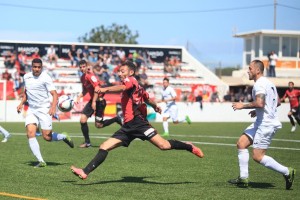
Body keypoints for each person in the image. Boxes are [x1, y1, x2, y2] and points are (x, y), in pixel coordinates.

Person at [70, 60, 204, 180]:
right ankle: (85, 171)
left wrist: (104, 89)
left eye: (122, 71)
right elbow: (147, 98)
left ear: (131, 72)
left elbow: (123, 87)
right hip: (127, 126)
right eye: (119, 72)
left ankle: (188, 146)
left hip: (139, 123)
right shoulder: (137, 86)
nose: (120, 74)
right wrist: (155, 106)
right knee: (104, 146)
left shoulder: (131, 80)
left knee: (164, 146)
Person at [229, 60, 295, 190]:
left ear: (257, 70)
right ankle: (243, 178)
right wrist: (257, 110)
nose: (248, 71)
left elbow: (260, 103)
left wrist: (243, 106)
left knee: (258, 156)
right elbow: (277, 103)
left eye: (250, 68)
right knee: (241, 143)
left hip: (266, 124)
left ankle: (287, 172)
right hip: (261, 121)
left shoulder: (259, 84)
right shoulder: (269, 83)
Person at [16, 58, 74, 168]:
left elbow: (55, 94)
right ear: (31, 67)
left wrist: (53, 107)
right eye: (35, 67)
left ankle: (63, 136)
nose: (37, 69)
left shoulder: (46, 77)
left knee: (47, 137)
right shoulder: (27, 77)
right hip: (32, 109)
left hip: (44, 109)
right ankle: (41, 161)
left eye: (39, 67)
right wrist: (21, 103)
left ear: (41, 67)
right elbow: (26, 93)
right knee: (30, 133)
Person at [75, 60, 122, 148]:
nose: (82, 69)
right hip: (92, 100)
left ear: (87, 66)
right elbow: (85, 90)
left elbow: (97, 88)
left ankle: (116, 119)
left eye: (83, 66)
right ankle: (87, 143)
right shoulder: (82, 77)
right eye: (80, 67)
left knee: (98, 125)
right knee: (82, 120)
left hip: (99, 101)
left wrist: (94, 102)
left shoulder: (91, 76)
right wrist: (79, 97)